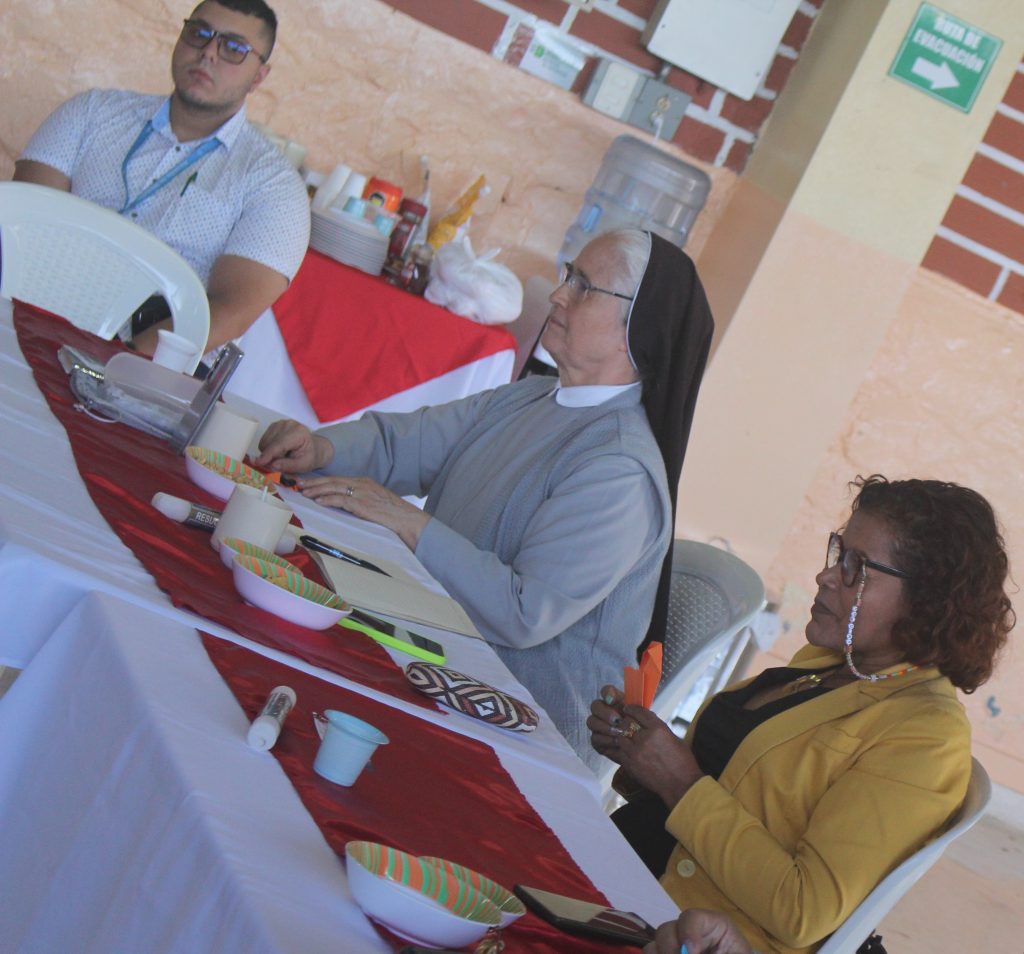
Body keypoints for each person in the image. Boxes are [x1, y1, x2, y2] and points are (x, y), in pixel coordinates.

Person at [256, 228, 714, 768]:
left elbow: (524, 613)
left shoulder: (619, 467)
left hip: (518, 736)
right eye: (569, 276)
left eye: (584, 286)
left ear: (634, 330)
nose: (558, 295)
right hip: (435, 661)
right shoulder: (533, 397)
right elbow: (409, 444)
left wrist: (407, 522)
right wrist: (322, 448)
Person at [589, 475, 1013, 954]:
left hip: (679, 930)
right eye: (839, 553)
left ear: (926, 601)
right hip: (619, 872)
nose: (826, 576)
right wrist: (640, 753)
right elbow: (728, 784)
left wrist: (678, 782)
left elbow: (803, 909)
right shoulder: (827, 664)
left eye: (857, 567)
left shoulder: (926, 738)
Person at [13, 0, 310, 360]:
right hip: (38, 311)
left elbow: (230, 311)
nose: (208, 53)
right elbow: (25, 223)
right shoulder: (91, 112)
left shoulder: (275, 186)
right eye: (199, 33)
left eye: (234, 48)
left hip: (147, 363)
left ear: (259, 76)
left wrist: (115, 360)